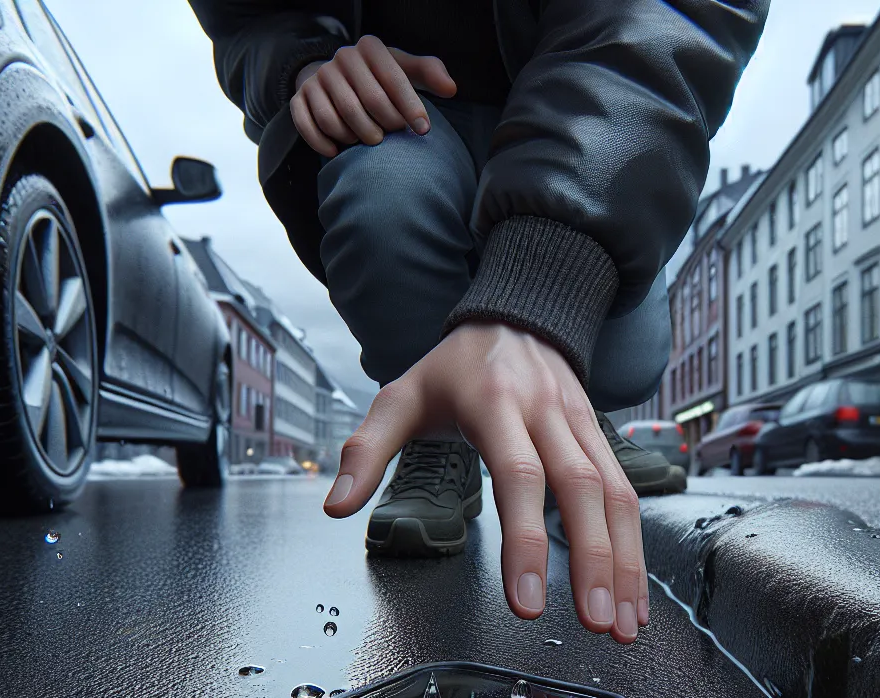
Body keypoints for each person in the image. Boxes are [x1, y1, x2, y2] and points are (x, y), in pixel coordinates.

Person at [190, 1, 765, 645]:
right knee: (383, 198)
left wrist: (548, 291)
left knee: (628, 354)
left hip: (578, 90)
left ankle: (566, 412)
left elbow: (672, 16)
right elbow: (242, 13)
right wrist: (300, 59)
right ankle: (439, 438)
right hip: (397, 103)